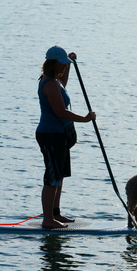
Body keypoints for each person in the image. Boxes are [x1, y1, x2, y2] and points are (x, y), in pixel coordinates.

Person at [36, 46, 96, 229]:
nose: (64, 66)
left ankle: (55, 214)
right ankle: (48, 220)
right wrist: (85, 119)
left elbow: (64, 84)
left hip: (59, 136)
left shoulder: (55, 81)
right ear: (53, 64)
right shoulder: (50, 84)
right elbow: (61, 112)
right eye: (62, 64)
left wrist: (69, 64)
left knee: (59, 176)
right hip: (51, 135)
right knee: (52, 178)